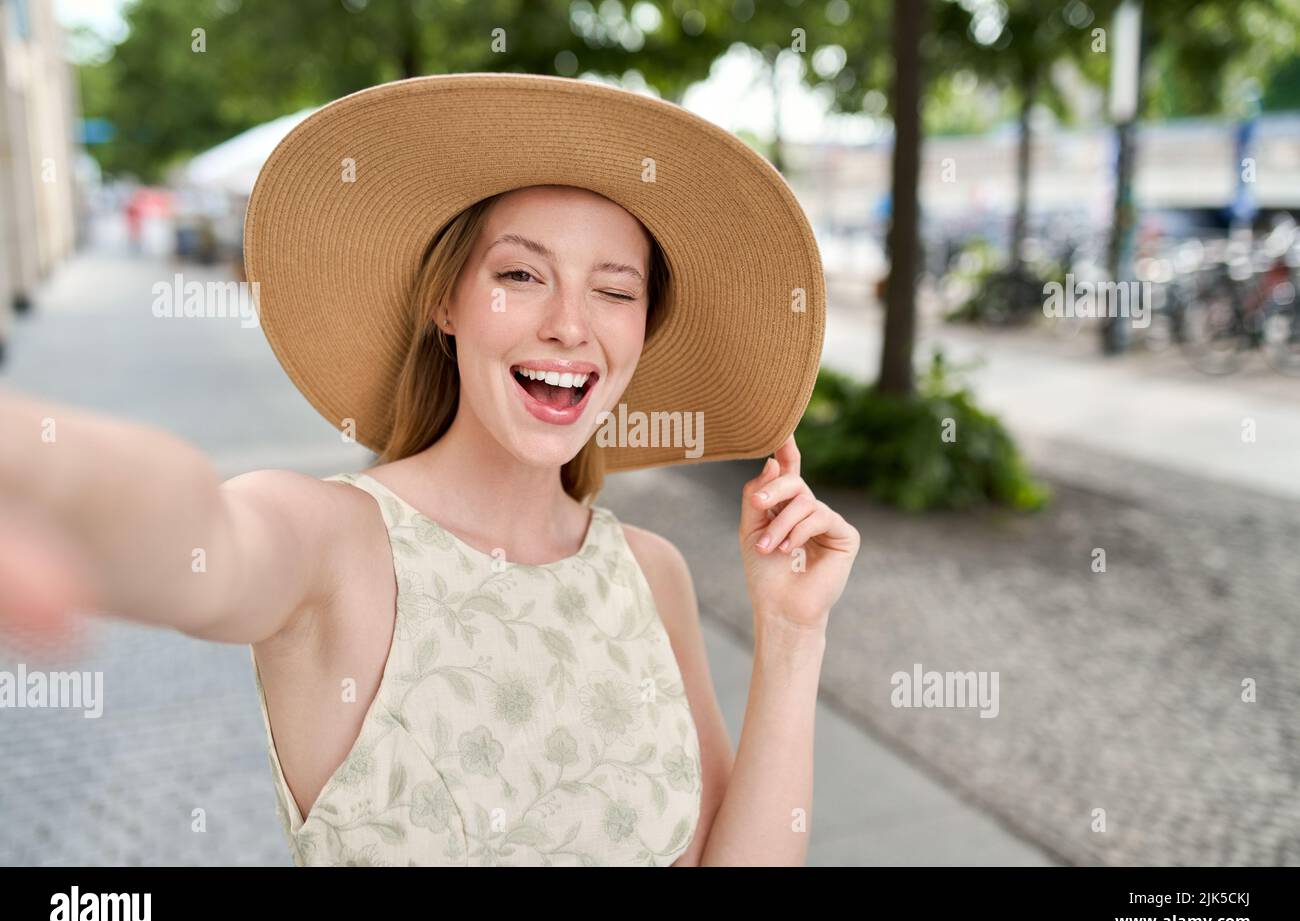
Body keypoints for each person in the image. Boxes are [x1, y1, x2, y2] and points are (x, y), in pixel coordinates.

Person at [0, 73, 859, 866]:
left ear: (641, 329)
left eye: (614, 288)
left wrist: (791, 636)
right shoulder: (334, 541)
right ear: (446, 302)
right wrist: (43, 468)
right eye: (521, 273)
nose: (570, 324)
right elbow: (206, 537)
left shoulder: (651, 574)